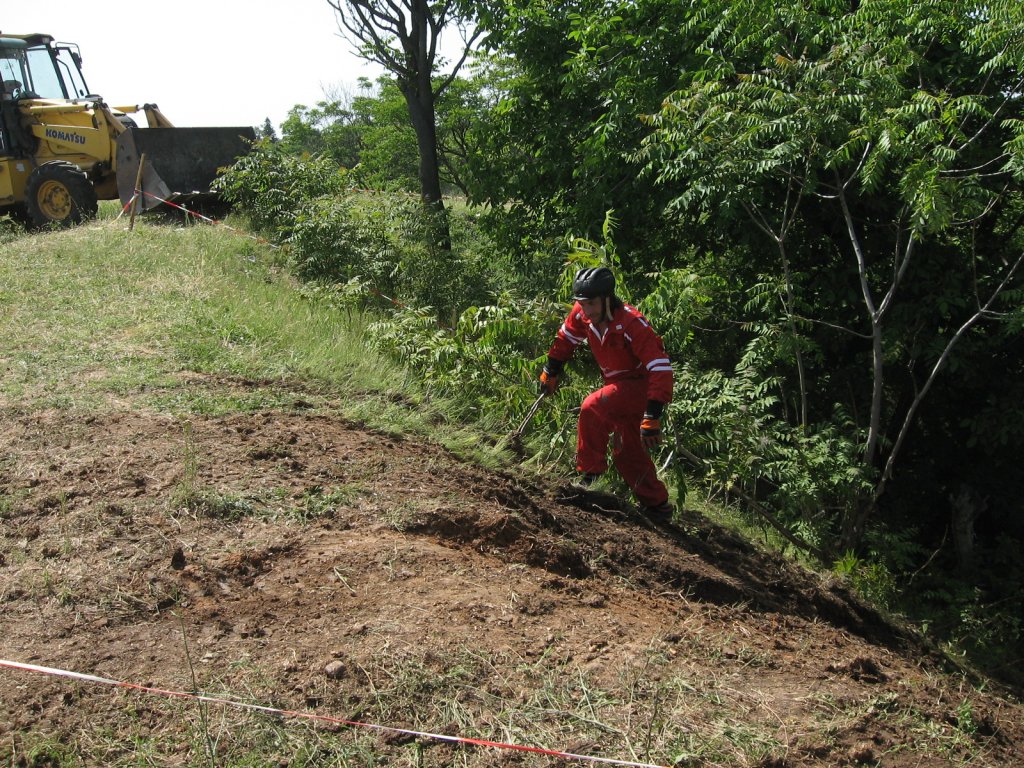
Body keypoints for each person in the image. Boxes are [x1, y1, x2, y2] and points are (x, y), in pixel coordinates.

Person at [539, 266, 675, 520]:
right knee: (627, 451)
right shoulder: (584, 314)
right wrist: (551, 368)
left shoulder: (632, 323)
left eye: (591, 303)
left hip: (640, 386)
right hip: (619, 387)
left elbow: (661, 368)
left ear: (606, 299)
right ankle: (657, 505)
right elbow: (566, 337)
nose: (585, 310)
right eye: (582, 303)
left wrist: (653, 414)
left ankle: (588, 479)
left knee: (593, 407)